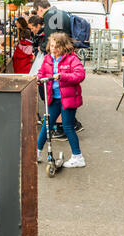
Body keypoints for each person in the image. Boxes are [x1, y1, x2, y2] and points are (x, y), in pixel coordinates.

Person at [34, 0, 84, 137]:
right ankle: (71, 123)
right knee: (65, 91)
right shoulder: (64, 13)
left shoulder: (49, 15)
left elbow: (51, 39)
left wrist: (43, 47)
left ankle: (62, 127)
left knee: (53, 91)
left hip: (58, 57)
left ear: (39, 8)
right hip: (68, 54)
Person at [37, 32, 86, 168]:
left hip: (68, 99)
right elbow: (42, 73)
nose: (53, 49)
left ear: (64, 47)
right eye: (51, 46)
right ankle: (37, 152)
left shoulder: (71, 59)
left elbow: (80, 75)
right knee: (47, 124)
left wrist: (63, 76)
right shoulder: (48, 58)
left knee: (67, 126)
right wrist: (38, 79)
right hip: (53, 98)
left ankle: (78, 157)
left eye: (57, 47)